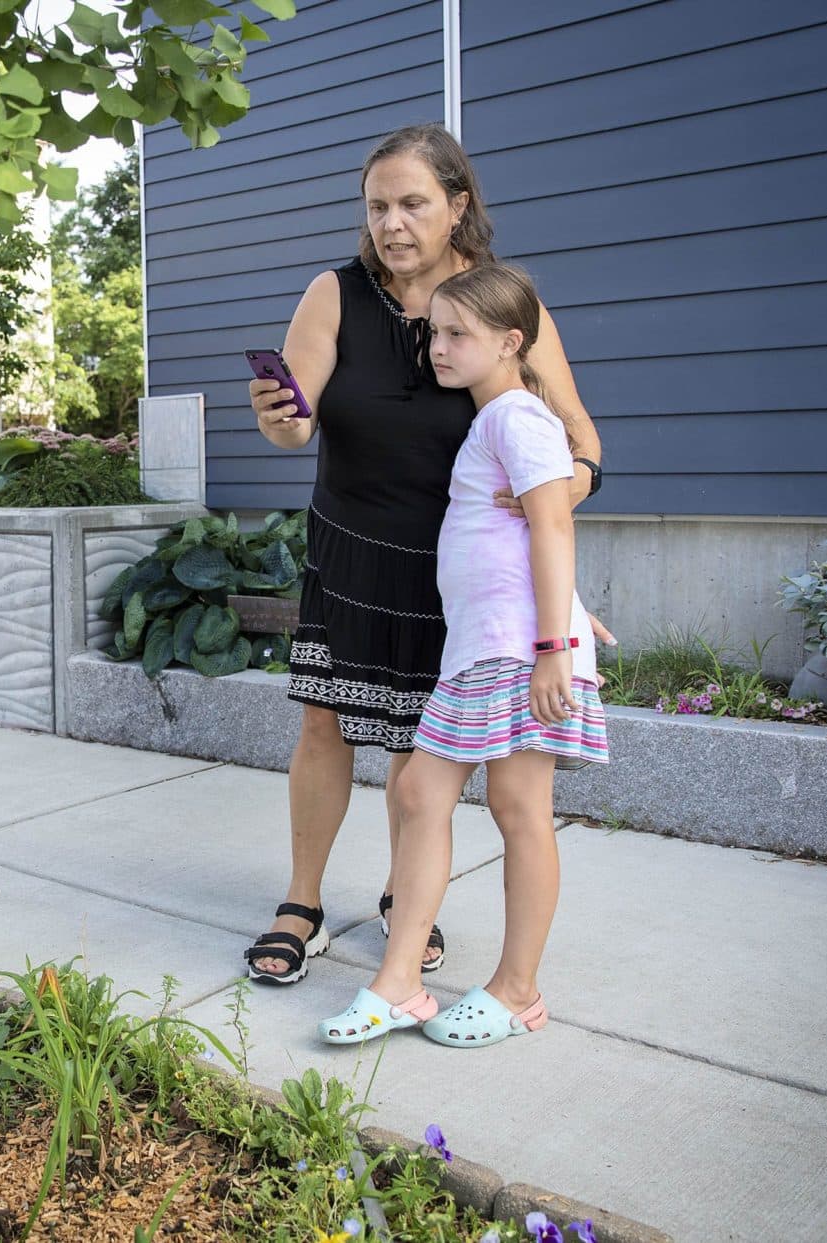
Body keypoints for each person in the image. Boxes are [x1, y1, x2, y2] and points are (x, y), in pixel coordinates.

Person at [243, 123, 605, 987]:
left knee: (419, 742)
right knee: (324, 723)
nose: (392, 223)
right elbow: (292, 425)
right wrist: (278, 415)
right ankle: (302, 902)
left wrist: (559, 489)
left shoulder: (506, 309)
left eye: (412, 203)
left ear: (458, 206)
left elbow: (581, 441)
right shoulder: (333, 294)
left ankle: (409, 903)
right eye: (377, 206)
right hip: (351, 548)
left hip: (455, 567)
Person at [319, 262, 609, 1047]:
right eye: (433, 333)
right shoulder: (494, 421)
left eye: (457, 335)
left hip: (519, 653)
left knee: (517, 812)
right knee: (420, 792)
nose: (437, 349)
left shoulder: (519, 417)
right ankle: (400, 983)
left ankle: (517, 990)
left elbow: (554, 527)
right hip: (485, 648)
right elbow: (514, 540)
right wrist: (576, 615)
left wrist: (556, 643)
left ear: (511, 341)